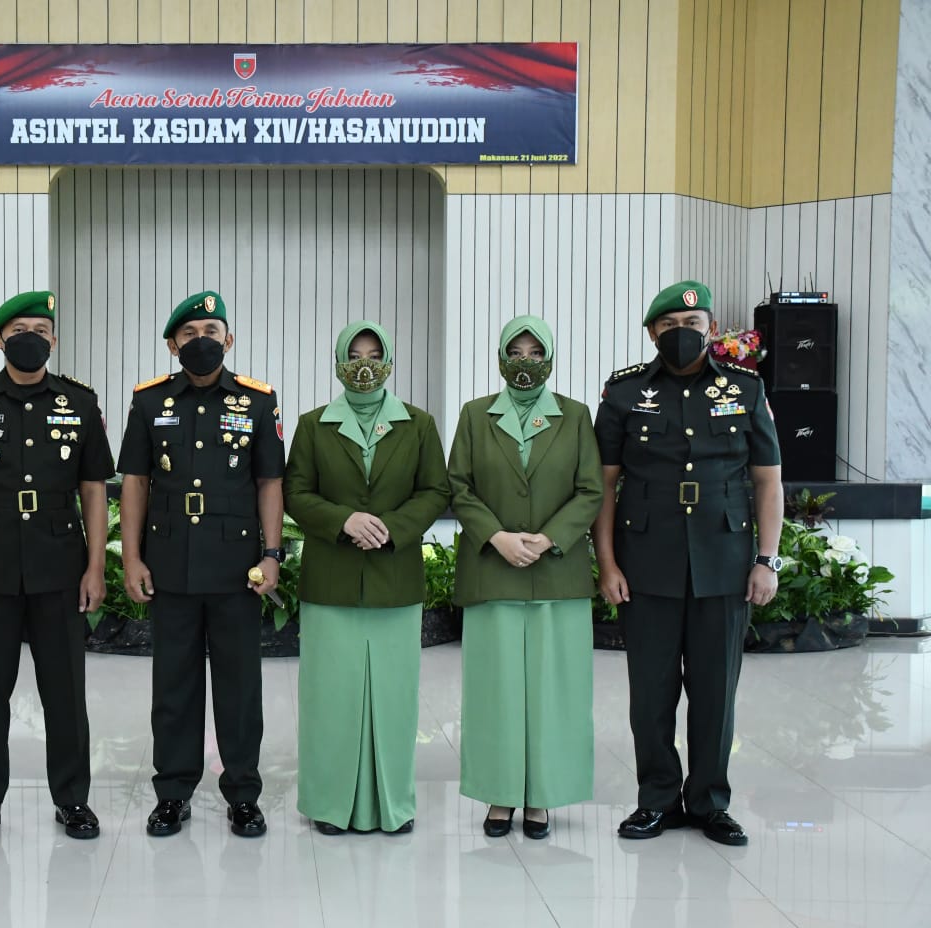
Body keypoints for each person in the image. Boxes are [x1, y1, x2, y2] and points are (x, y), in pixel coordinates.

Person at [593, 281, 782, 847]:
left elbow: (768, 482)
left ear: (712, 328)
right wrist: (607, 564)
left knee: (715, 692)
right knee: (650, 694)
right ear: (653, 333)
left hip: (723, 563)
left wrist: (767, 560)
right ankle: (656, 800)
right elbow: (604, 487)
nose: (683, 334)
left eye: (693, 324)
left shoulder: (746, 388)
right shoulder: (624, 392)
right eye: (670, 325)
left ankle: (710, 803)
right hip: (645, 563)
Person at [0, 291, 114, 844]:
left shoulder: (79, 401)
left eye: (41, 329)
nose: (30, 338)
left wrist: (95, 567)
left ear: (54, 339)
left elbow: (93, 491)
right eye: (18, 330)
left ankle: (72, 799)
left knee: (65, 693)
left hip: (59, 564)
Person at [116, 290, 285, 838]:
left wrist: (272, 554)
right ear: (172, 345)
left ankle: (243, 794)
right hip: (170, 563)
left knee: (239, 687)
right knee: (174, 686)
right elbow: (135, 483)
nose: (201, 341)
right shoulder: (149, 402)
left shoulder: (258, 401)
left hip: (238, 568)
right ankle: (173, 793)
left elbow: (269, 483)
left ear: (228, 340)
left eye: (211, 332)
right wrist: (132, 557)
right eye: (189, 334)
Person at [283, 320, 448, 835]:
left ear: (390, 361)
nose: (364, 365)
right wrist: (344, 521)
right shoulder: (313, 425)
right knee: (330, 699)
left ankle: (391, 804)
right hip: (331, 582)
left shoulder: (418, 425)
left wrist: (391, 528)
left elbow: (435, 490)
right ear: (338, 362)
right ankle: (331, 804)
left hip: (394, 579)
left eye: (374, 355)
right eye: (354, 355)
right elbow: (296, 492)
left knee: (394, 699)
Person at [448, 315, 602, 839]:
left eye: (536, 353)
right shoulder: (475, 415)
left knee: (555, 692)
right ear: (500, 357)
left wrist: (549, 537)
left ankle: (543, 796)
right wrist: (497, 537)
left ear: (550, 359)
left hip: (557, 573)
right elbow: (459, 486)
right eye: (516, 352)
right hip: (492, 571)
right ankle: (500, 792)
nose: (526, 362)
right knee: (496, 691)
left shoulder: (575, 416)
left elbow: (591, 490)